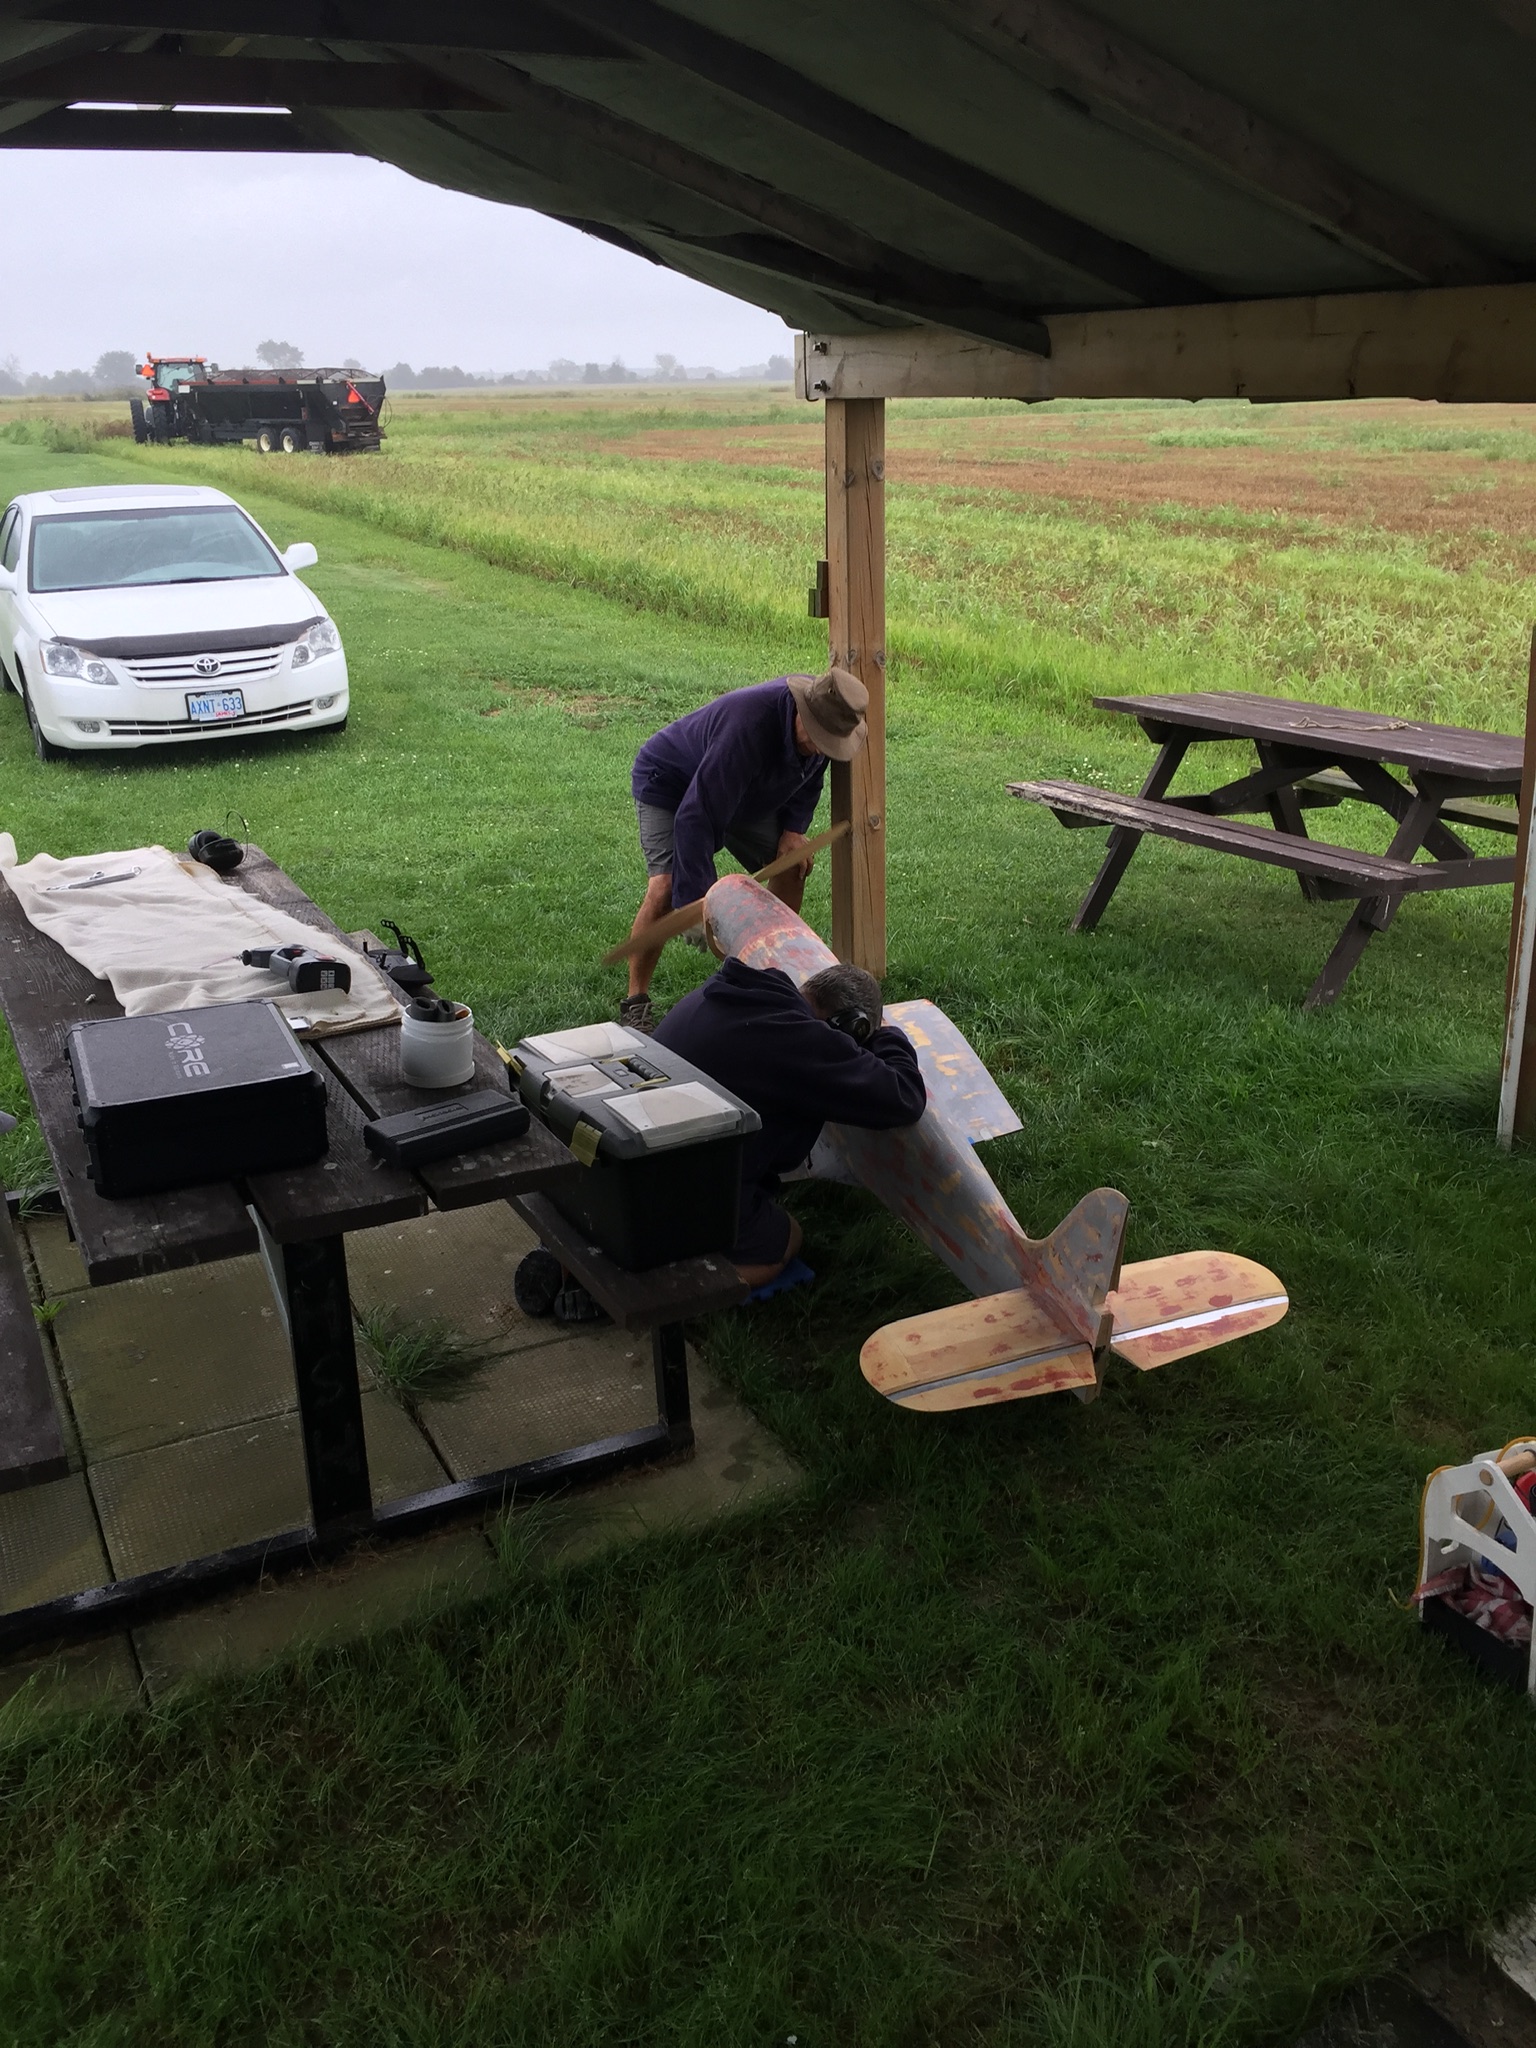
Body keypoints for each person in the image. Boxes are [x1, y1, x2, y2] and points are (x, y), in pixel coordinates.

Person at [620, 667, 869, 1033]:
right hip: (672, 782)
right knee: (665, 888)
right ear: (802, 711)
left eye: (829, 743)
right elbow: (696, 815)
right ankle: (635, 1003)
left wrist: (794, 829)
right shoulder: (748, 726)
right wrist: (696, 903)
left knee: (792, 864)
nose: (821, 748)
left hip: (743, 790)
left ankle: (768, 986)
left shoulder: (831, 714)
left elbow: (811, 776)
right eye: (818, 738)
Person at [654, 957, 926, 1289]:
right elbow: (903, 1095)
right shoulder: (799, 1041)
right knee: (785, 1238)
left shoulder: (732, 993)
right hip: (671, 1192)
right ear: (851, 1025)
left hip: (637, 1162)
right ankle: (666, 1290)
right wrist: (885, 1035)